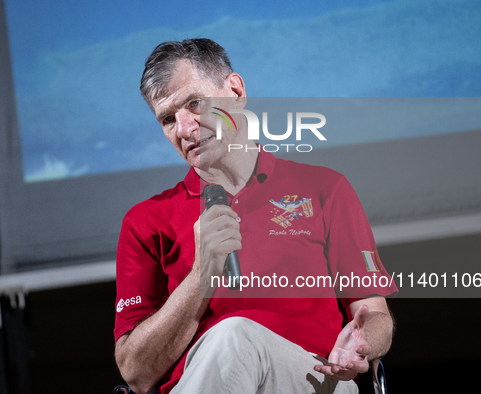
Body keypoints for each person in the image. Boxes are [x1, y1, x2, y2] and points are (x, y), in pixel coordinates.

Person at [114, 38, 397, 394]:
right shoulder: (146, 222)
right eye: (168, 119)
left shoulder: (324, 188)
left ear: (234, 91)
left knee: (235, 336)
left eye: (195, 104)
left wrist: (362, 342)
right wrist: (203, 273)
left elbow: (375, 315)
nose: (184, 129)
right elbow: (136, 373)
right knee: (231, 340)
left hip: (312, 379)